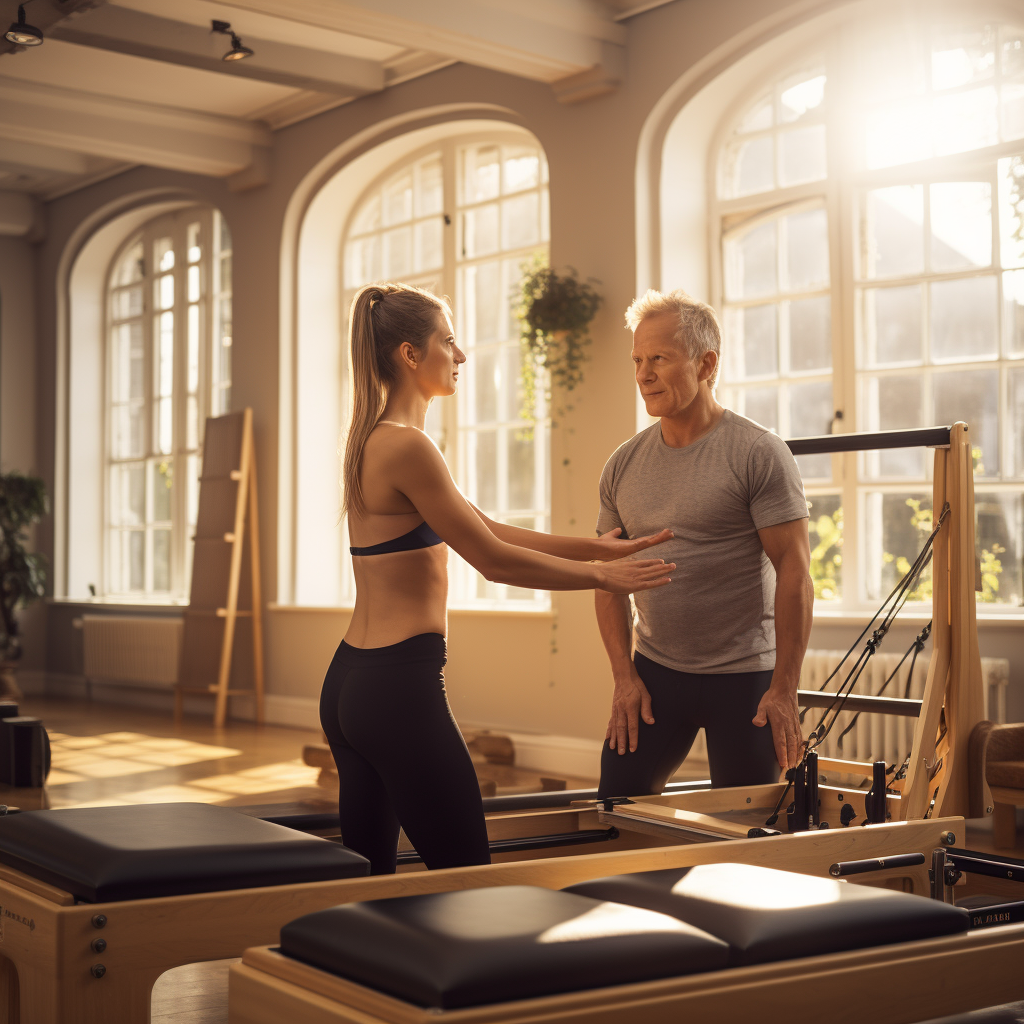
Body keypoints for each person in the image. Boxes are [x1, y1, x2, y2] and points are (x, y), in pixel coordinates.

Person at [321, 282, 676, 875]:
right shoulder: (407, 447)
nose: (459, 356)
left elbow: (483, 527)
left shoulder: (377, 440)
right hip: (396, 690)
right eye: (448, 341)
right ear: (411, 355)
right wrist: (602, 578)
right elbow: (492, 559)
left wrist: (597, 547)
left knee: (369, 879)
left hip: (352, 682)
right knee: (468, 875)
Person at [595, 288, 812, 799]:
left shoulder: (758, 453)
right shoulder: (622, 465)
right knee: (616, 808)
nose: (643, 374)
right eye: (638, 360)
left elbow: (796, 571)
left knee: (748, 831)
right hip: (655, 673)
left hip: (745, 678)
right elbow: (606, 578)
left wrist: (785, 688)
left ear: (706, 363)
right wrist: (624, 677)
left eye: (660, 359)